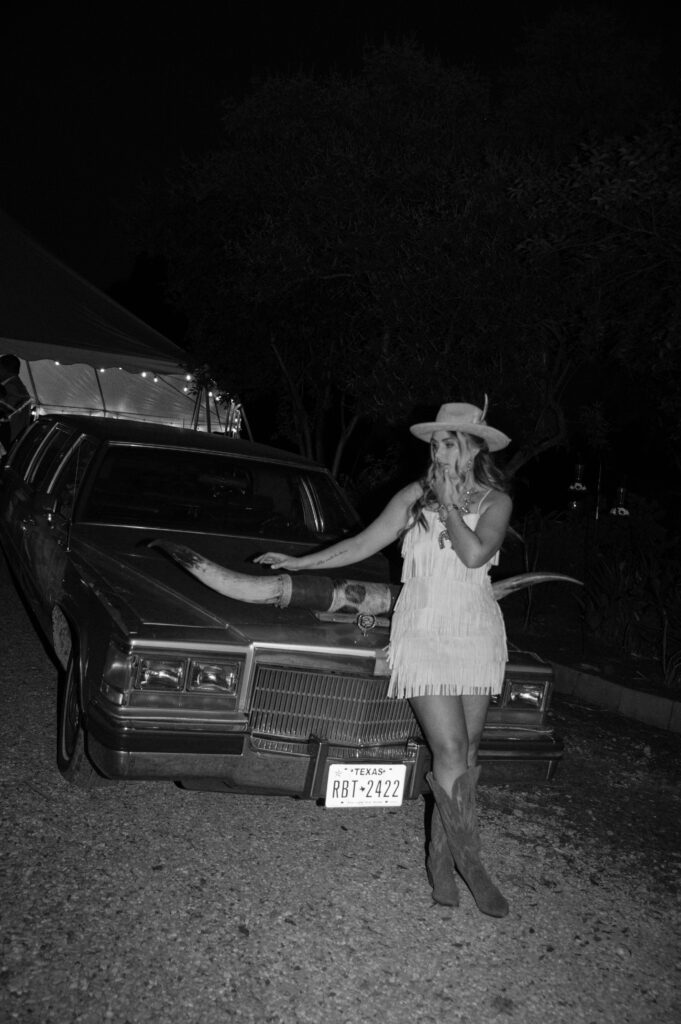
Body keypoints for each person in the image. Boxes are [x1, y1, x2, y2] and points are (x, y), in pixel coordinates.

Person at [255, 399, 513, 917]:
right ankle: (474, 866)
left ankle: (442, 861)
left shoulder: (496, 501)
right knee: (451, 745)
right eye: (434, 443)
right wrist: (300, 563)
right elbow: (360, 544)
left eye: (447, 442)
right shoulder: (414, 497)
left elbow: (475, 555)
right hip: (422, 630)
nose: (436, 451)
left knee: (470, 750)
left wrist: (449, 507)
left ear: (474, 446)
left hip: (476, 630)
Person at [0, 353, 32, 454]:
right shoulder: (16, 387)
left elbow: (3, 412)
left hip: (6, 444)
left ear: (3, 369)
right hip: (11, 443)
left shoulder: (12, 388)